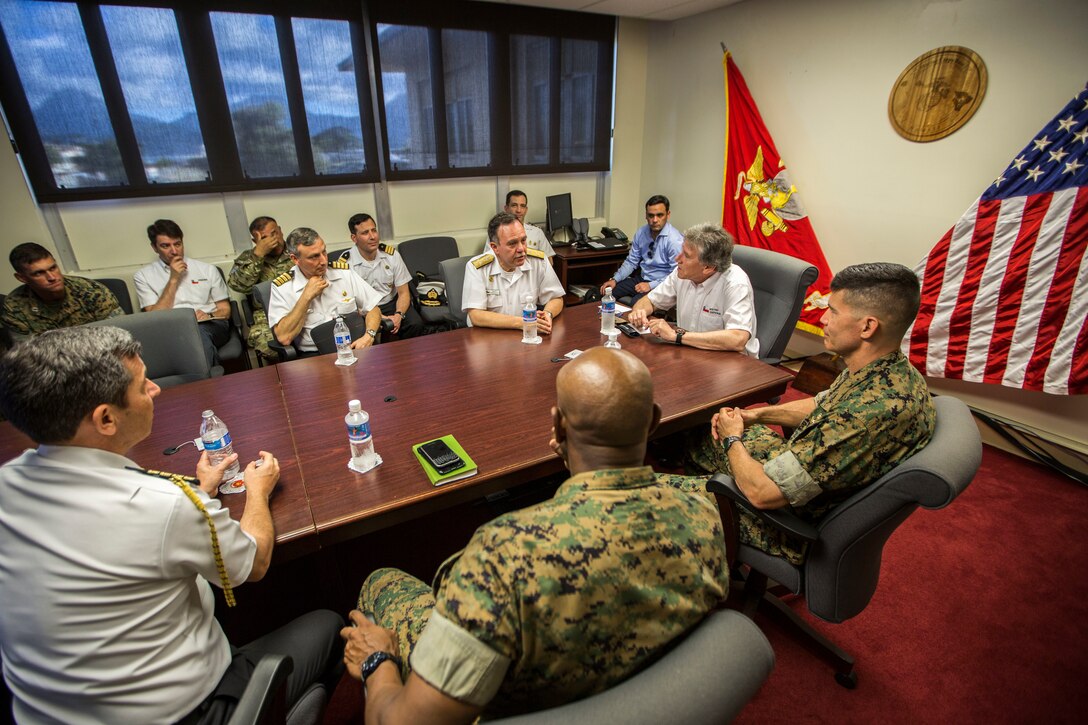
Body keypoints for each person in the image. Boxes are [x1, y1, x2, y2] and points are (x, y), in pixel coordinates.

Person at [342, 347, 729, 723]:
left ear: (558, 426)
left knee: (381, 582)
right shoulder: (706, 514)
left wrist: (380, 660)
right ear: (654, 420)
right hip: (650, 695)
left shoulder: (502, 554)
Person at [0, 326, 343, 724]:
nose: (155, 390)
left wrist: (198, 493)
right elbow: (256, 561)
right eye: (142, 385)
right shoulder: (163, 505)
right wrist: (256, 492)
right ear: (106, 418)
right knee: (330, 622)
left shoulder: (8, 481)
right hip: (185, 713)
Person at [685, 262, 937, 564]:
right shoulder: (886, 372)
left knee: (635, 496)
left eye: (832, 311)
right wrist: (755, 417)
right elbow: (820, 404)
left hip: (779, 521)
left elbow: (761, 493)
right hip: (796, 468)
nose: (822, 318)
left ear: (868, 326)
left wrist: (732, 439)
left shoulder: (862, 418)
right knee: (696, 429)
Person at [627, 223, 759, 355]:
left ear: (708, 267)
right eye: (681, 251)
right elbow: (649, 301)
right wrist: (640, 312)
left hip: (733, 362)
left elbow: (737, 338)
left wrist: (676, 336)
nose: (677, 259)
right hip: (691, 352)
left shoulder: (735, 283)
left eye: (687, 255)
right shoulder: (681, 273)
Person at [267, 226, 383, 354]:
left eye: (324, 252)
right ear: (295, 259)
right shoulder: (283, 287)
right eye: (314, 257)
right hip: (316, 355)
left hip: (357, 346)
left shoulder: (343, 273)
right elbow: (284, 337)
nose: (323, 261)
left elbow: (373, 308)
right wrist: (306, 297)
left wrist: (369, 336)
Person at [134, 219, 232, 368]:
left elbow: (225, 309)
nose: (174, 251)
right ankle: (211, 381)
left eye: (177, 244)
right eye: (165, 246)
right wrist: (174, 279)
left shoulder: (207, 269)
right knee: (189, 337)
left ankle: (204, 385)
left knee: (197, 334)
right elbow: (153, 318)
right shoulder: (143, 277)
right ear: (154, 247)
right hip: (171, 330)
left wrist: (209, 315)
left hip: (210, 324)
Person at [462, 212, 565, 333]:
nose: (521, 249)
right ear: (495, 248)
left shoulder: (538, 261)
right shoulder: (477, 267)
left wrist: (548, 314)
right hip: (488, 337)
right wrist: (522, 322)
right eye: (512, 243)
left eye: (523, 240)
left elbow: (556, 298)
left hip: (524, 335)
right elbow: (476, 315)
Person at [0, 242, 122, 338]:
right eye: (39, 273)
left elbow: (120, 333)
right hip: (51, 364)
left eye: (53, 268)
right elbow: (26, 354)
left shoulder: (92, 291)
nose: (52, 277)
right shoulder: (15, 308)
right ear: (22, 278)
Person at [344, 213, 424, 340]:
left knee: (415, 324)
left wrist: (399, 315)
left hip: (391, 303)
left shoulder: (391, 255)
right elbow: (350, 304)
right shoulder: (346, 264)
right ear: (354, 238)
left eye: (374, 230)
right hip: (364, 310)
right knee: (366, 335)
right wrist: (380, 317)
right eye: (365, 233)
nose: (372, 236)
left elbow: (403, 293)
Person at [227, 216, 294, 363]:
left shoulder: (297, 250)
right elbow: (238, 286)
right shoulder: (248, 258)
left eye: (275, 233)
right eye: (264, 237)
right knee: (268, 344)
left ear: (281, 231)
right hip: (267, 316)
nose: (273, 240)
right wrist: (258, 255)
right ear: (255, 241)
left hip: (300, 307)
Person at [599, 194, 684, 305]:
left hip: (662, 284)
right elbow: (631, 261)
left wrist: (650, 285)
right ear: (646, 215)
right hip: (642, 279)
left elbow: (676, 274)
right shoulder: (641, 233)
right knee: (605, 293)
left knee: (637, 303)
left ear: (668, 215)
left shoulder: (674, 240)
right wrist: (615, 279)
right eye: (651, 215)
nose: (654, 220)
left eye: (659, 215)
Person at [484, 190, 555, 263]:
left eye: (522, 206)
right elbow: (489, 261)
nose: (519, 210)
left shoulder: (537, 233)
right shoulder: (496, 233)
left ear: (526, 209)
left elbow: (549, 260)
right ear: (506, 208)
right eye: (514, 205)